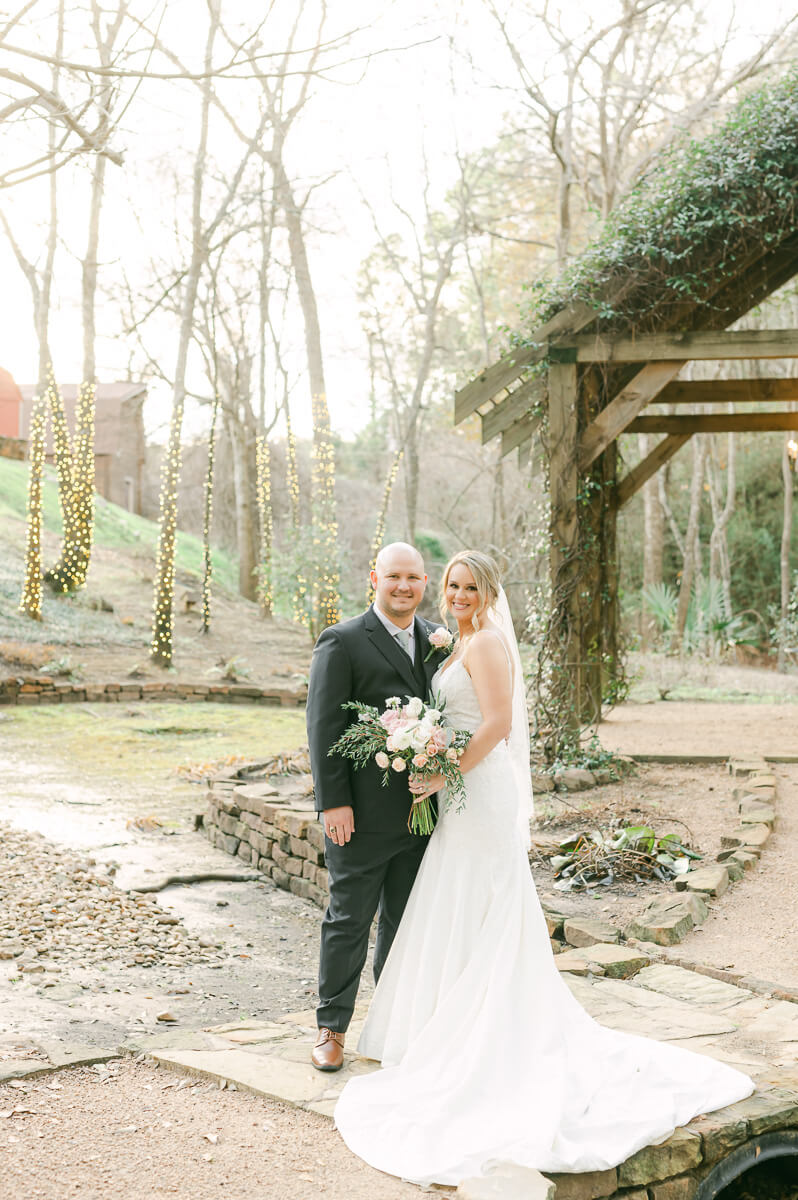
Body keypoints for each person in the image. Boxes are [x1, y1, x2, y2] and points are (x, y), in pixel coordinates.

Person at [333, 550, 754, 1185]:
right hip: (457, 795)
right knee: (456, 897)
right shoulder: (455, 643)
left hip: (479, 792)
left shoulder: (489, 645)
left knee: (484, 896)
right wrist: (435, 764)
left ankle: (489, 1034)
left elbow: (498, 725)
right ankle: (446, 1028)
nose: (459, 594)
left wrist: (443, 769)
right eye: (452, 585)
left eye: (470, 585)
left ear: (489, 590)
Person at [305, 542, 449, 1071]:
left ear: (425, 583)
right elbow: (323, 728)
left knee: (405, 923)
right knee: (348, 919)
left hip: (425, 815)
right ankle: (331, 1027)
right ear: (374, 578)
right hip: (360, 817)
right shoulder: (341, 641)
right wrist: (333, 804)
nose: (403, 587)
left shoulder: (441, 641)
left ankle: (395, 1026)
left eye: (413, 578)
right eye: (393, 577)